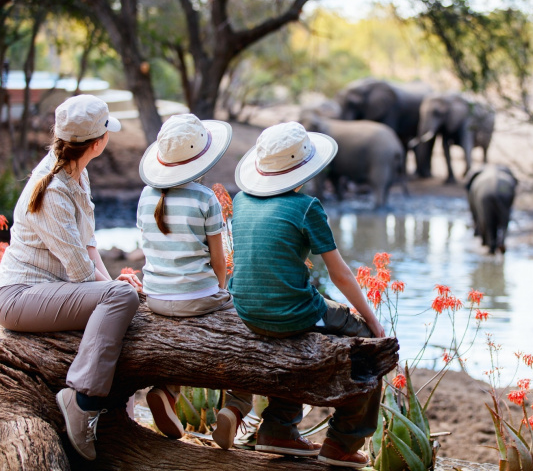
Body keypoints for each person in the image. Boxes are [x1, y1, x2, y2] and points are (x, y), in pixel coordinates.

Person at [230, 121, 386, 469]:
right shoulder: (306, 206)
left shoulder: (241, 200)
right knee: (369, 348)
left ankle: (279, 428)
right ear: (304, 168)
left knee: (293, 335)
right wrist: (373, 321)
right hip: (292, 313)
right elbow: (340, 273)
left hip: (246, 310)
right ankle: (343, 441)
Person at [0, 94, 142, 461]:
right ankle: (81, 400)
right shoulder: (52, 190)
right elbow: (81, 273)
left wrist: (114, 283)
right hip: (20, 297)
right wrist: (114, 291)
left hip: (51, 290)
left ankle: (111, 411)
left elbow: (89, 244)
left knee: (122, 296)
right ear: (97, 143)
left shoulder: (77, 173)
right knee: (122, 298)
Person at [137, 113, 252, 449]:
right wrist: (221, 290)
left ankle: (167, 391)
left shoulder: (146, 196)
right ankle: (236, 406)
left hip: (156, 296)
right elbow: (218, 260)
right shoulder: (205, 199)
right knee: (245, 334)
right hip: (200, 297)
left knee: (178, 333)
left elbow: (149, 248)